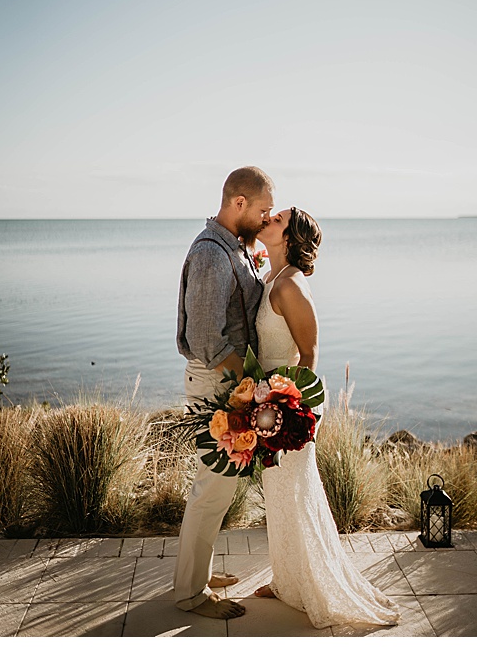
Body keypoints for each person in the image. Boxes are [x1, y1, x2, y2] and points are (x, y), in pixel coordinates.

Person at [249, 207, 399, 628]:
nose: (267, 219)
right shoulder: (272, 277)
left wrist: (288, 407)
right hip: (269, 401)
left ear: (290, 238)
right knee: (279, 494)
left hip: (289, 404)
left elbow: (310, 353)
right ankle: (288, 580)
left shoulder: (291, 286)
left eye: (276, 219)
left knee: (295, 493)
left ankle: (313, 586)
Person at [173, 166, 273, 619]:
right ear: (238, 204)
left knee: (215, 486)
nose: (266, 218)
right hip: (218, 381)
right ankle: (191, 594)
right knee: (212, 489)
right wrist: (248, 380)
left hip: (224, 382)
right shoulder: (213, 254)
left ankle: (200, 571)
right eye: (263, 210)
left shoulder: (233, 247)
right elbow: (208, 339)